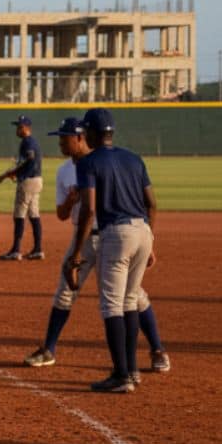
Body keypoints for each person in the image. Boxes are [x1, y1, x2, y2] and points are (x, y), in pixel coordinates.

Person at [23, 118, 170, 372]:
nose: (60, 143)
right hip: (85, 237)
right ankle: (49, 349)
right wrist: (70, 202)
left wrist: (150, 244)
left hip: (113, 237)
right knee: (65, 292)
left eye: (65, 138)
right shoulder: (64, 171)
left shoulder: (101, 162)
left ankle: (156, 350)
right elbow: (62, 214)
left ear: (81, 137)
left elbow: (120, 205)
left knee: (133, 296)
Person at [67, 108, 157, 393]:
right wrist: (150, 240)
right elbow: (152, 203)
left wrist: (76, 253)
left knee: (112, 305)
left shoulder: (89, 162)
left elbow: (89, 209)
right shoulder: (133, 158)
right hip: (143, 231)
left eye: (85, 131)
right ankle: (131, 370)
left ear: (91, 133)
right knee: (130, 301)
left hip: (117, 235)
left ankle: (121, 375)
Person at [0, 115, 45, 260]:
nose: (17, 129)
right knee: (34, 214)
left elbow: (29, 159)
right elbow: (28, 162)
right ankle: (38, 249)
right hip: (37, 180)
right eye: (17, 126)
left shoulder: (27, 142)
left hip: (28, 182)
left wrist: (10, 174)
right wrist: (16, 173)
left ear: (26, 128)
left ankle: (16, 250)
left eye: (20, 126)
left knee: (19, 214)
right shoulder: (32, 141)